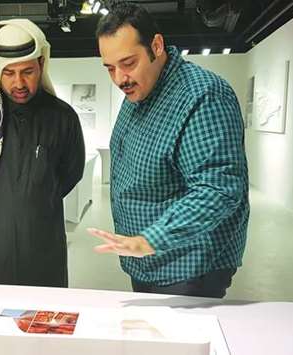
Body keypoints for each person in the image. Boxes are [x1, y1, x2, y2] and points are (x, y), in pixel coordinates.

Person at [88, 2, 249, 298]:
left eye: (128, 62)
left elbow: (218, 189)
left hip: (189, 269)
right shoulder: (139, 91)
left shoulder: (202, 96)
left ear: (157, 45)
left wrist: (150, 239)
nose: (120, 78)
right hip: (149, 261)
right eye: (110, 68)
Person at [0, 19, 85, 287]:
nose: (19, 82)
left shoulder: (62, 117)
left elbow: (71, 173)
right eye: (9, 73)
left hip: (41, 246)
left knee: (41, 320)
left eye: (28, 71)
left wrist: (34, 200)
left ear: (41, 65)